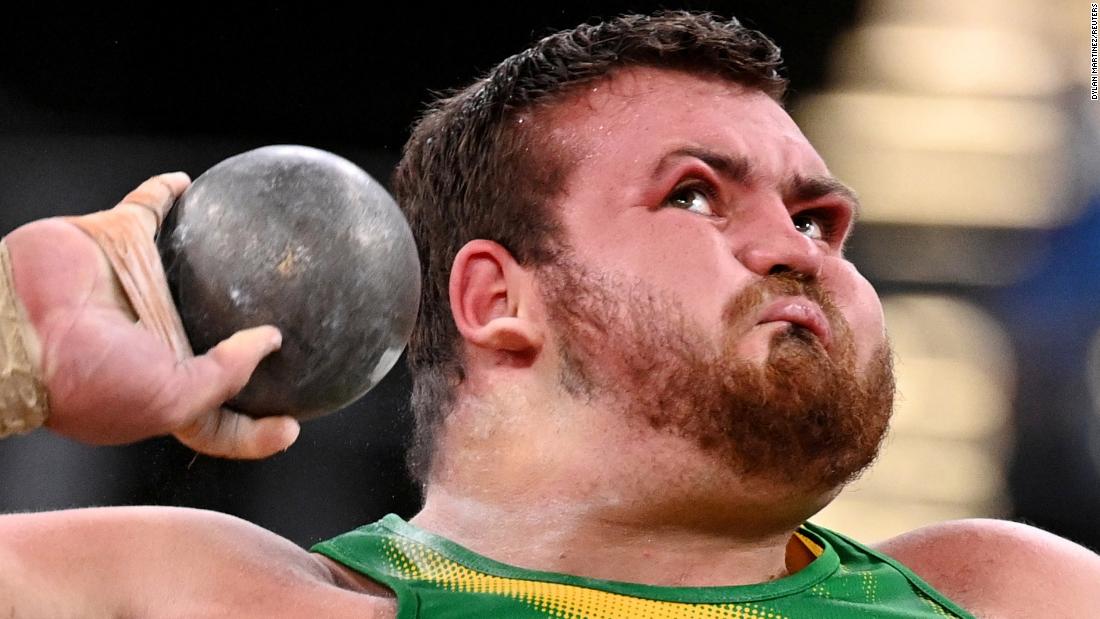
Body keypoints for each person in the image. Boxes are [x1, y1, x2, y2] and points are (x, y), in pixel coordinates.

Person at [1, 11, 1098, 618]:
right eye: (693, 194)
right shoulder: (224, 599)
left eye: (816, 219)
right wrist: (15, 344)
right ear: (496, 298)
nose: (793, 249)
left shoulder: (1007, 595)